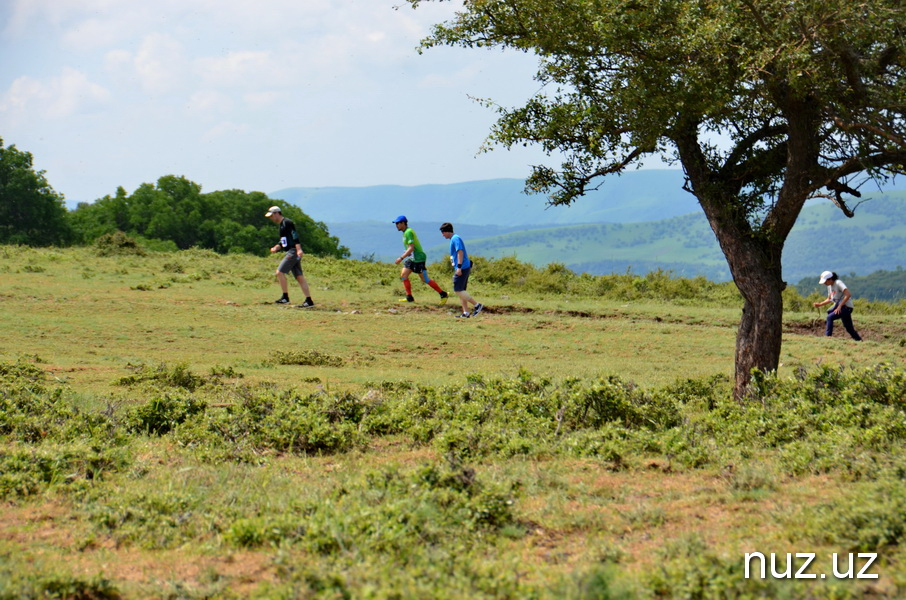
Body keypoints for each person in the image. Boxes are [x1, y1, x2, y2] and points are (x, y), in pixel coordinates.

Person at [392, 215, 448, 304]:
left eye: (398, 223)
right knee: (403, 275)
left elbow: (411, 248)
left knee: (425, 279)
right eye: (396, 223)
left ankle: (443, 294)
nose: (396, 225)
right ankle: (409, 297)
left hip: (418, 258)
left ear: (403, 223)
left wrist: (401, 258)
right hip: (412, 258)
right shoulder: (405, 232)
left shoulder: (408, 232)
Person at [266, 205, 314, 307]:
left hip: (292, 252)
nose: (271, 218)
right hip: (291, 251)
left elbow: (294, 235)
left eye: (271, 216)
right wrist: (277, 247)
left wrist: (299, 249)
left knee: (279, 272)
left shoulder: (287, 222)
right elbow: (284, 240)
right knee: (299, 277)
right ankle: (309, 301)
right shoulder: (282, 225)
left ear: (277, 213)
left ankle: (285, 297)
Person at [440, 222, 484, 319]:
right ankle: (466, 313)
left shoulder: (455, 239)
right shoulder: (454, 238)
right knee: (461, 290)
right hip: (463, 267)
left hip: (462, 267)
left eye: (443, 232)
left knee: (457, 290)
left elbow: (460, 252)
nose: (442, 235)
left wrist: (459, 267)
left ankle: (477, 305)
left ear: (447, 231)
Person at [812, 270, 861, 341]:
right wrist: (820, 304)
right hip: (840, 306)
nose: (825, 283)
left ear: (830, 279)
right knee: (849, 328)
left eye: (825, 281)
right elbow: (830, 299)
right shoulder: (829, 286)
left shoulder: (838, 283)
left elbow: (848, 294)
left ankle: (828, 337)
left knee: (830, 317)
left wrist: (840, 306)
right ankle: (859, 340)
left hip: (847, 307)